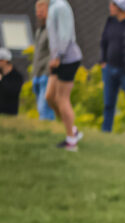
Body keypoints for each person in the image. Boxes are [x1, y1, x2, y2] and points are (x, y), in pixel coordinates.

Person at [45, 0, 83, 150]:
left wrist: (57, 56)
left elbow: (64, 35)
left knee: (62, 98)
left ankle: (71, 141)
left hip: (67, 59)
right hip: (57, 59)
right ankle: (73, 130)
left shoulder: (60, 7)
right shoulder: (53, 6)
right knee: (50, 96)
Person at [99, 0, 125, 132]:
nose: (110, 7)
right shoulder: (110, 22)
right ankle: (106, 131)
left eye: (112, 5)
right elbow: (104, 42)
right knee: (108, 103)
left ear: (120, 7)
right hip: (109, 68)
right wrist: (103, 61)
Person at [32, 0, 56, 120]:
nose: (39, 13)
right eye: (37, 10)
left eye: (42, 10)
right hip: (37, 73)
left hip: (46, 74)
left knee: (44, 108)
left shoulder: (53, 30)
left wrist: (48, 71)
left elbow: (55, 52)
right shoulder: (39, 30)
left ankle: (48, 130)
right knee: (40, 108)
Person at [0, 49, 24, 117]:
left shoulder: (16, 76)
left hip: (10, 113)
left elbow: (13, 91)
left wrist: (1, 81)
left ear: (5, 61)